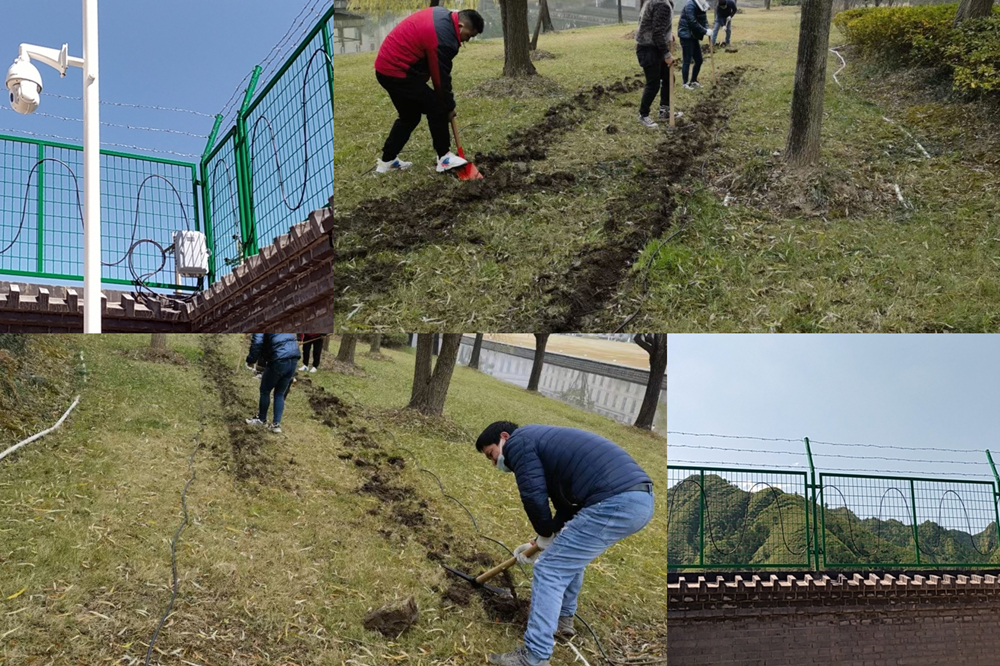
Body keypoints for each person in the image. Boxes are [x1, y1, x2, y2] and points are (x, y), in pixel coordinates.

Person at [475, 422, 655, 666]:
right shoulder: (543, 442)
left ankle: (534, 657)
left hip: (614, 501)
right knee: (567, 558)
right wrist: (542, 538)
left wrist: (544, 533)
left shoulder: (519, 442)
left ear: (504, 438)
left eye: (492, 455)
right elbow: (566, 506)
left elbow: (532, 494)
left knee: (550, 569)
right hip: (638, 499)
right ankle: (562, 621)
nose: (494, 463)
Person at [374, 7, 485, 175]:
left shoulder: (443, 15)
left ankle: (387, 161)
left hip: (385, 67)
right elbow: (440, 78)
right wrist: (448, 107)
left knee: (409, 116)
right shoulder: (445, 38)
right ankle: (444, 158)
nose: (466, 41)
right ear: (461, 26)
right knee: (437, 106)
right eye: (468, 36)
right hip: (397, 71)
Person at [245, 334, 301, 434]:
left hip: (278, 359)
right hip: (293, 359)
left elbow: (257, 342)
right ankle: (276, 425)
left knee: (265, 390)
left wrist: (251, 360)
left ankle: (261, 419)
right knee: (279, 393)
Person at [634, 0, 675, 129]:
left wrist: (669, 34)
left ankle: (664, 110)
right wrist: (667, 55)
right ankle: (643, 114)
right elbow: (657, 32)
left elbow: (658, 25)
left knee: (669, 78)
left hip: (654, 46)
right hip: (649, 49)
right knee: (653, 83)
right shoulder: (662, 4)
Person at [677, 0, 711, 90]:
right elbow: (692, 22)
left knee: (699, 60)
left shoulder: (702, 5)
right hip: (686, 35)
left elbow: (704, 19)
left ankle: (693, 81)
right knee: (687, 60)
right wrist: (704, 31)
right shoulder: (690, 5)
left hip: (694, 36)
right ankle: (685, 83)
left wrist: (707, 28)